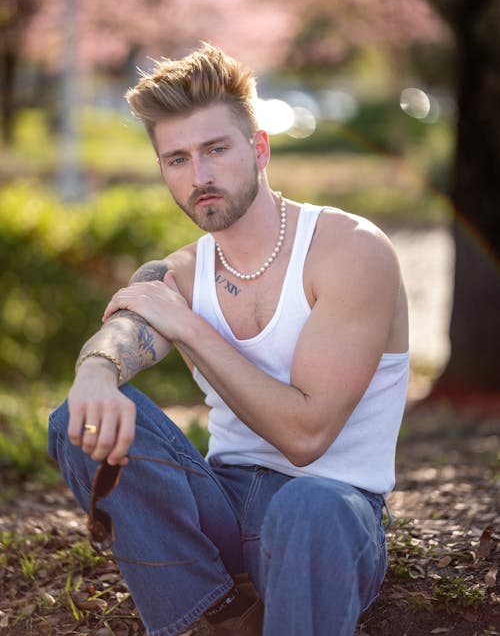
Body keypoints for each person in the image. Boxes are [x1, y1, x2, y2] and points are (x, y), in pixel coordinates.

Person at [48, 43, 409, 636]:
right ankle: (213, 616)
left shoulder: (349, 249)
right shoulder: (180, 273)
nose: (201, 176)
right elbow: (122, 331)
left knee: (311, 505)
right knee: (75, 419)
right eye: (178, 159)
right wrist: (95, 377)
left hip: (332, 516)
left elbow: (305, 436)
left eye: (216, 149)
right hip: (222, 507)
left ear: (259, 148)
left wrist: (189, 326)